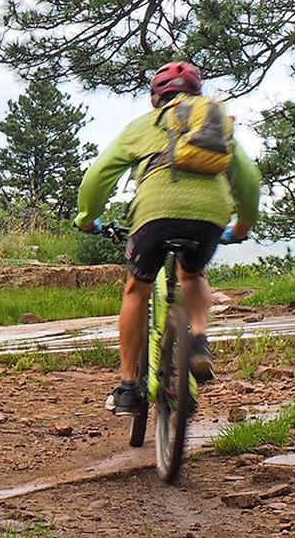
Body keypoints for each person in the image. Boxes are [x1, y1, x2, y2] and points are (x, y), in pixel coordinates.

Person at [74, 61, 261, 415]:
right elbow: (249, 179)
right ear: (197, 95)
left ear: (155, 98)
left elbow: (97, 177)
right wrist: (242, 226)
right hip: (210, 215)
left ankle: (129, 387)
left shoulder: (142, 126)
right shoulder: (216, 123)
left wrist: (88, 218)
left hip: (155, 213)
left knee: (137, 288)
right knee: (192, 274)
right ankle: (200, 342)